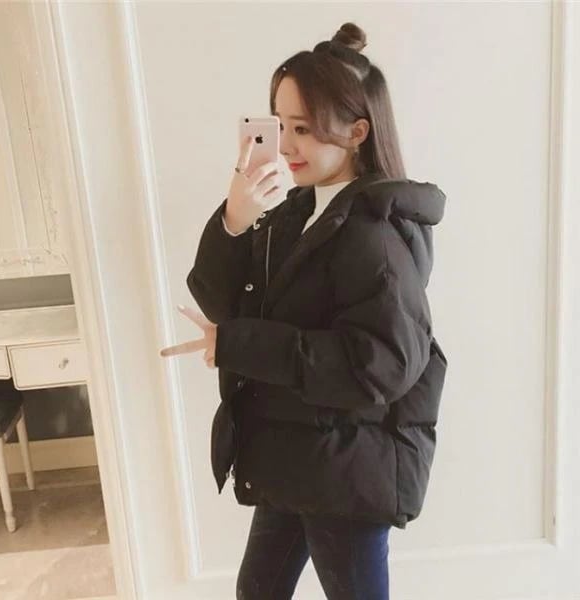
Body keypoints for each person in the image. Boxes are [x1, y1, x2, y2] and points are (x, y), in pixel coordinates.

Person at [161, 21, 448, 600]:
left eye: (304, 128)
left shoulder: (374, 237)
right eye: (280, 124)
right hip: (293, 458)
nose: (287, 145)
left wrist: (237, 345)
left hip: (345, 473)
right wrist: (235, 220)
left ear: (357, 132)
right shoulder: (296, 213)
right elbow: (224, 303)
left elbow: (378, 366)